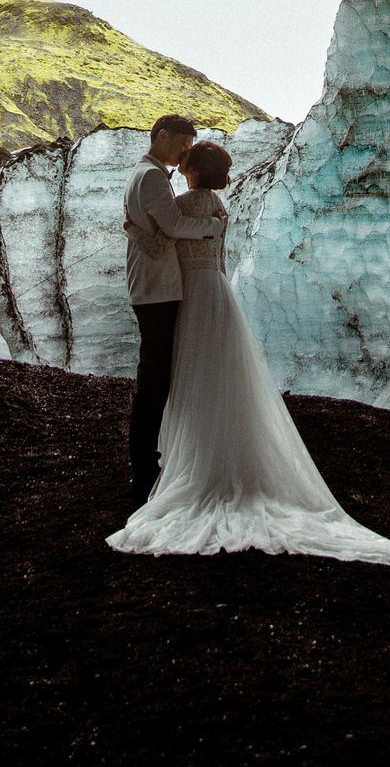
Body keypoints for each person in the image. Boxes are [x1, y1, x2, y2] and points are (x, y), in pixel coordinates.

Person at [109, 138, 390, 567]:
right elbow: (217, 256)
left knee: (192, 377)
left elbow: (164, 239)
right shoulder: (219, 209)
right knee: (223, 374)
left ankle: (190, 462)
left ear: (193, 170)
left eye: (187, 158)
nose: (181, 161)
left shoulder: (183, 204)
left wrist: (131, 226)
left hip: (191, 297)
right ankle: (229, 457)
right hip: (217, 294)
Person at [123, 114, 224, 506]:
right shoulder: (150, 177)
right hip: (156, 288)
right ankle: (145, 472)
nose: (186, 152)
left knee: (157, 378)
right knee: (154, 383)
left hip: (157, 285)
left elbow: (159, 228)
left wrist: (132, 229)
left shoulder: (147, 174)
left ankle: (150, 467)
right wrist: (214, 228)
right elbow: (175, 224)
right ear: (162, 136)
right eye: (183, 143)